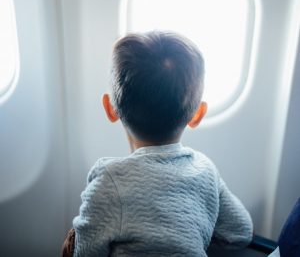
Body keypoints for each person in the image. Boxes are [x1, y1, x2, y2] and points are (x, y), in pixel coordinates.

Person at [62, 31, 253, 256]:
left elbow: (85, 254)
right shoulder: (205, 170)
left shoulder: (108, 180)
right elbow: (241, 232)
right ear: (198, 114)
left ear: (110, 109)